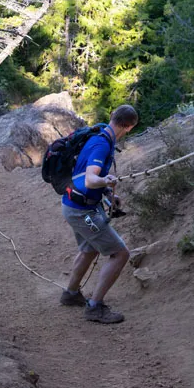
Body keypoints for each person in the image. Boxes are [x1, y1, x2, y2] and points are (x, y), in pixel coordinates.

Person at [60, 104, 138, 323]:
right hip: (82, 212)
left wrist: (106, 194)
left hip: (74, 205)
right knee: (121, 253)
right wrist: (105, 181)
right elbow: (90, 179)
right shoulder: (102, 145)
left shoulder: (99, 137)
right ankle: (95, 307)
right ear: (128, 127)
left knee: (90, 249)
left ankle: (71, 294)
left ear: (112, 115)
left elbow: (84, 173)